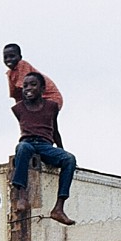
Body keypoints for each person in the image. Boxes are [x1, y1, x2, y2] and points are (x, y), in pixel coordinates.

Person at [11, 72, 77, 226]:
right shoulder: (18, 108)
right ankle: (22, 196)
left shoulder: (51, 107)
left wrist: (62, 150)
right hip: (27, 143)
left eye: (33, 84)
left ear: (42, 89)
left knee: (70, 159)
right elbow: (24, 144)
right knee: (22, 147)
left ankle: (58, 208)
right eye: (25, 85)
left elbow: (55, 131)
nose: (28, 88)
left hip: (45, 145)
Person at [3, 43, 63, 109]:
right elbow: (17, 96)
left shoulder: (22, 65)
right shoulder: (10, 74)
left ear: (20, 57)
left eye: (12, 56)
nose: (8, 59)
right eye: (5, 57)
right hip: (37, 100)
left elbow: (24, 89)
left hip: (51, 98)